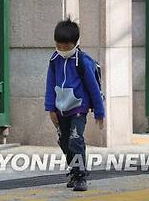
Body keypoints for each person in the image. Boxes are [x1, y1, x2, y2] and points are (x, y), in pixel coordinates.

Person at [44, 19, 105, 192]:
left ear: (75, 43)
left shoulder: (83, 61)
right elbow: (50, 85)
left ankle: (80, 176)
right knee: (64, 141)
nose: (62, 50)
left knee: (75, 140)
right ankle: (74, 169)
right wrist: (50, 108)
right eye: (59, 46)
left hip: (78, 108)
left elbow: (94, 88)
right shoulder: (54, 59)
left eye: (66, 46)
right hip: (60, 109)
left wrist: (99, 112)